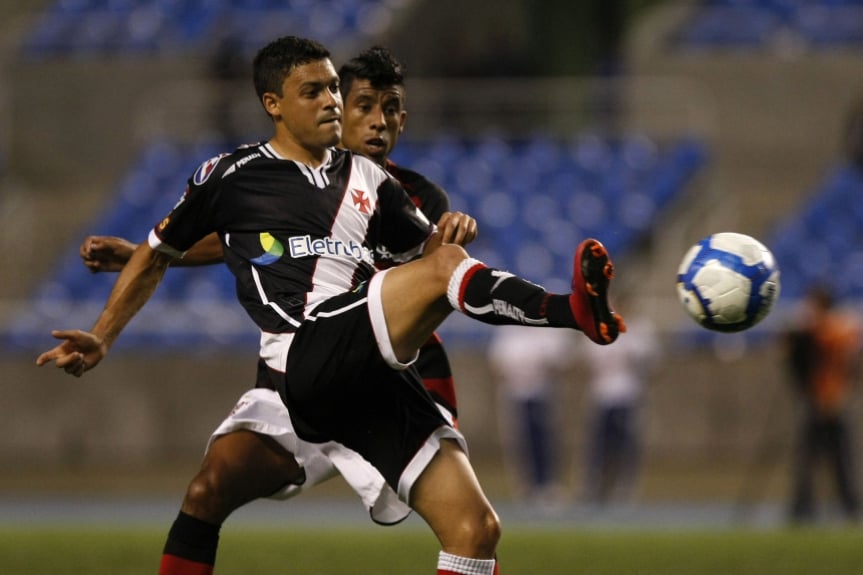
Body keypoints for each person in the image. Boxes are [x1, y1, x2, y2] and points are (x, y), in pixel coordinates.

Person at [38, 36, 624, 575]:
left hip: (372, 373)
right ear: (273, 103)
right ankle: (571, 310)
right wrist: (106, 330)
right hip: (303, 360)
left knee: (477, 530)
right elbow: (197, 247)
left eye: (336, 91)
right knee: (209, 487)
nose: (335, 103)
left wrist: (446, 248)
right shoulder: (234, 175)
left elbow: (434, 269)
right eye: (317, 91)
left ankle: (571, 311)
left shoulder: (379, 185)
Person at [784, 285, 862, 524]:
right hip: (816, 401)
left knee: (841, 460)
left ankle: (849, 506)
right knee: (807, 459)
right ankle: (803, 506)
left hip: (834, 401)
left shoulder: (835, 329)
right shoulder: (815, 331)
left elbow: (837, 337)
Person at [580, 293, 658, 505]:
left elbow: (649, 365)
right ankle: (595, 486)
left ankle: (624, 487)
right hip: (603, 395)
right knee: (599, 445)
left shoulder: (639, 330)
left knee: (625, 445)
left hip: (627, 395)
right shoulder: (600, 327)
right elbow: (590, 362)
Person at [487, 325, 572, 504]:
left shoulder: (548, 330)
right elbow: (498, 362)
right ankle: (526, 485)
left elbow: (559, 361)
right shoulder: (509, 332)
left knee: (545, 440)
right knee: (520, 441)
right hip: (515, 393)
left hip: (542, 392)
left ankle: (548, 484)